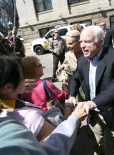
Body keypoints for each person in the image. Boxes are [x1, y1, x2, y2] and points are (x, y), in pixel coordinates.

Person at [0, 55, 86, 143]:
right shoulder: (31, 116)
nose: (24, 79)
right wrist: (72, 112)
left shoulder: (13, 100)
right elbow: (57, 142)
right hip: (50, 121)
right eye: (21, 76)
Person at [68, 25, 114, 155]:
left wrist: (93, 102)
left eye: (87, 41)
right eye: (81, 41)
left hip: (112, 113)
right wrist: (72, 95)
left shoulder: (112, 57)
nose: (82, 46)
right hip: (94, 116)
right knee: (98, 147)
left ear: (100, 42)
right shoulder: (82, 60)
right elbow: (75, 78)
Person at [0, 100, 86, 155]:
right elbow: (52, 147)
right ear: (8, 87)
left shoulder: (9, 110)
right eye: (22, 75)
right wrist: (73, 117)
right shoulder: (29, 118)